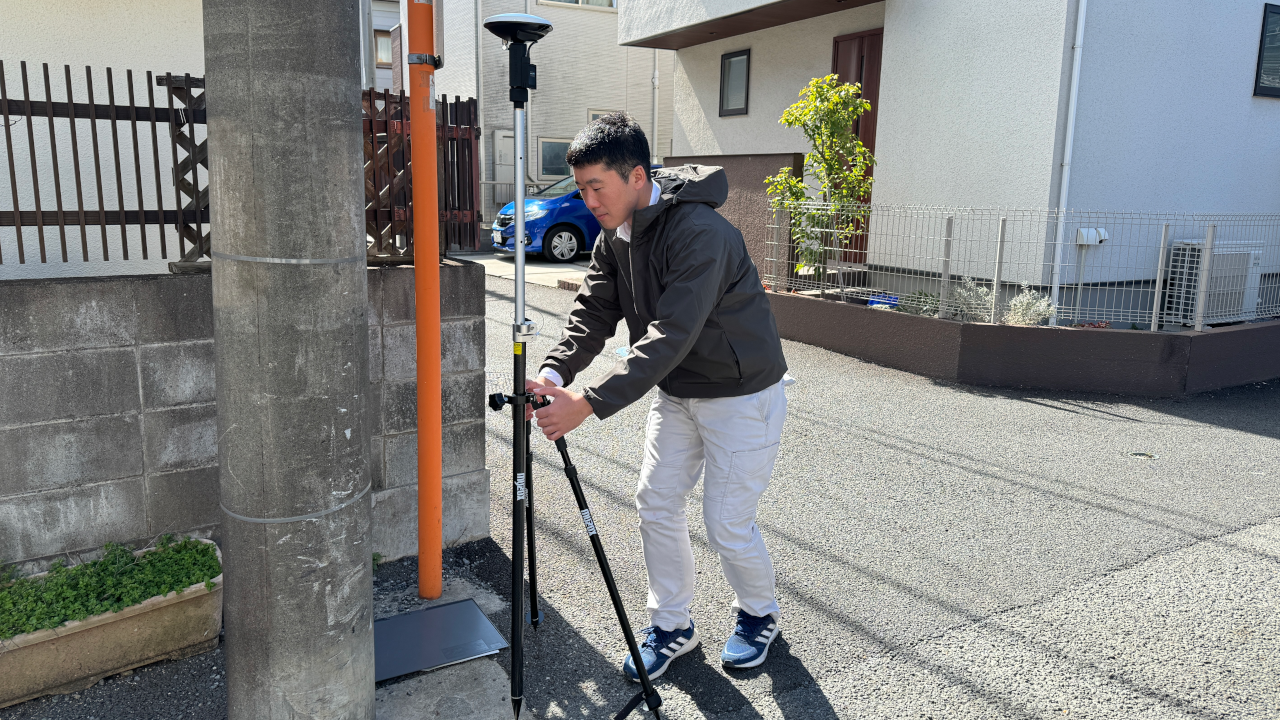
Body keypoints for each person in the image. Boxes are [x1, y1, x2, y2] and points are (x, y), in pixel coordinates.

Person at [526, 113, 790, 681]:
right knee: (656, 501)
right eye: (582, 188)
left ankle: (759, 613)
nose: (589, 200)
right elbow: (594, 311)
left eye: (597, 186)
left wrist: (587, 403)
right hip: (679, 392)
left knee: (726, 522)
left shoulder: (700, 232)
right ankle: (673, 625)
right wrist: (553, 372)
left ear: (637, 176)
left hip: (742, 394)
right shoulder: (617, 234)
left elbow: (671, 333)